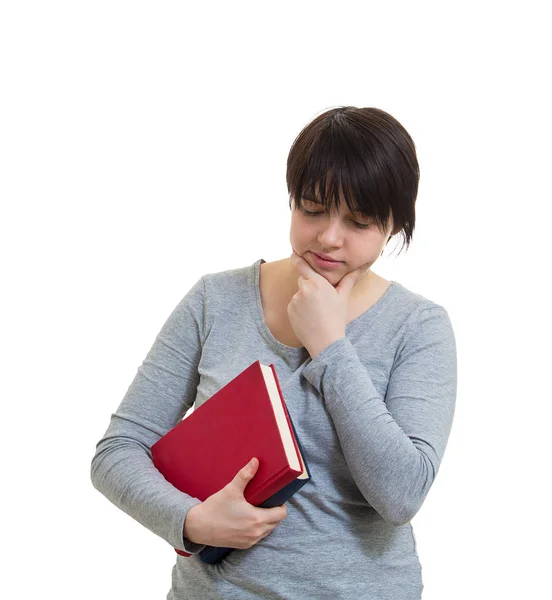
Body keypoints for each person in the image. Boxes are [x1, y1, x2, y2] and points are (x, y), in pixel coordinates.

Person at [91, 106, 458, 599]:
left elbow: (402, 495)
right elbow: (118, 450)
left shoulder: (419, 327)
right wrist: (192, 521)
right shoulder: (214, 300)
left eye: (359, 221)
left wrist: (330, 346)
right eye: (312, 209)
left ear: (394, 225)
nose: (329, 237)